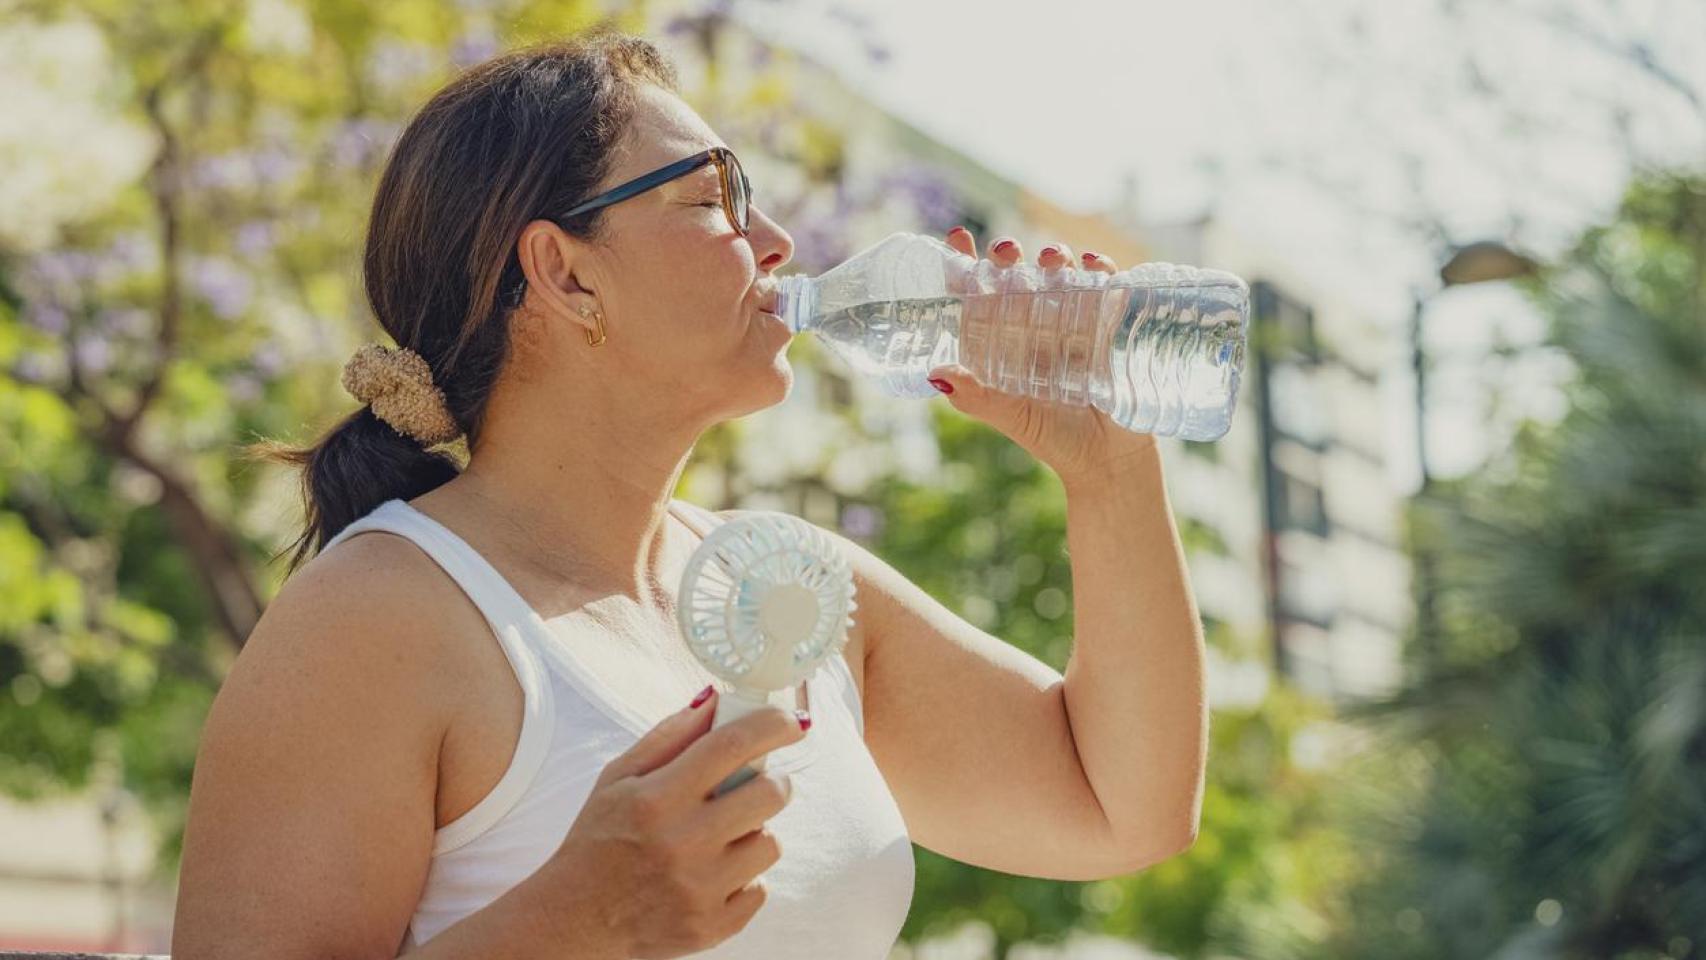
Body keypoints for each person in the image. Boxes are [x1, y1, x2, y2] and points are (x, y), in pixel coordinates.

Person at [171, 29, 1208, 960]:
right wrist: (568, 922)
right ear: (567, 276)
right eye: (713, 198)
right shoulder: (378, 618)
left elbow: (1119, 806)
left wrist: (1109, 467)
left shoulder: (791, 586)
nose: (775, 246)